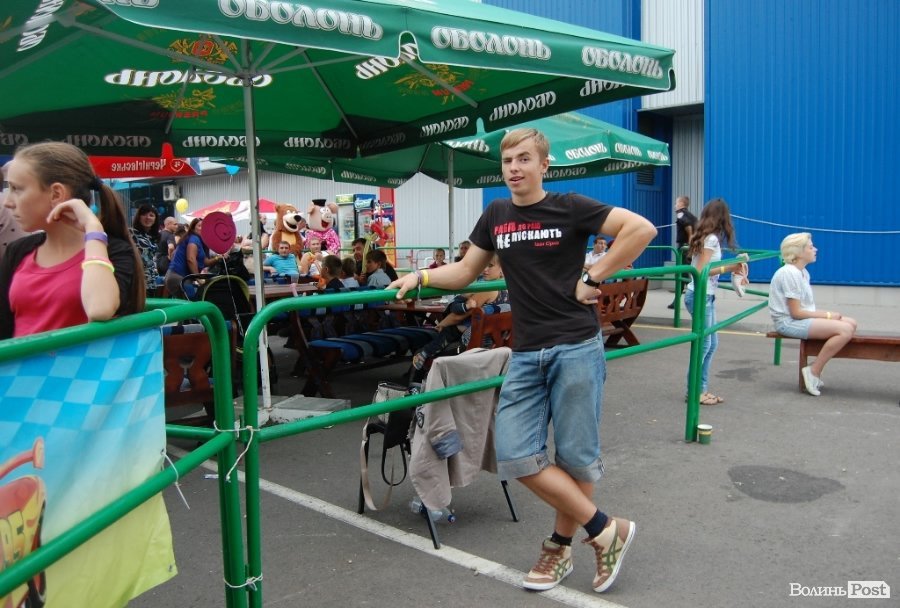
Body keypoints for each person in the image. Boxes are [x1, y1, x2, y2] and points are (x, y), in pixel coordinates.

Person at [389, 128, 656, 594]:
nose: (514, 168)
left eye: (524, 159)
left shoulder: (570, 206)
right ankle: (605, 529)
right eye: (508, 160)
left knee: (575, 459)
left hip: (576, 346)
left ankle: (559, 549)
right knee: (514, 453)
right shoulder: (497, 214)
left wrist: (594, 276)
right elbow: (466, 271)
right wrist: (421, 277)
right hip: (527, 351)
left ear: (544, 165)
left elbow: (641, 230)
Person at [0, 141, 143, 338]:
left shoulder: (113, 250)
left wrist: (93, 229)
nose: (8, 202)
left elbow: (100, 309)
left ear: (56, 193)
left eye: (17, 189)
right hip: (19, 359)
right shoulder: (19, 250)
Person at [768, 232, 857, 396]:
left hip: (799, 319)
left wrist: (829, 316)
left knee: (851, 323)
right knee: (844, 330)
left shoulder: (802, 272)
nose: (815, 249)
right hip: (788, 322)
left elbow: (805, 309)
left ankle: (815, 368)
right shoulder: (789, 273)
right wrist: (828, 315)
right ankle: (814, 370)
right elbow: (796, 313)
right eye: (810, 247)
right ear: (798, 252)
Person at [683, 198, 747, 405]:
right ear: (722, 218)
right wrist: (730, 267)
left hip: (704, 295)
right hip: (700, 295)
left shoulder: (707, 237)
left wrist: (732, 266)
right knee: (705, 345)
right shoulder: (710, 239)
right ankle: (694, 392)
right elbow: (701, 271)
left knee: (711, 344)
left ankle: (701, 389)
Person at [409, 254, 508, 384]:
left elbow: (458, 317)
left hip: (473, 346)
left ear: (502, 269)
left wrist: (441, 324)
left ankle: (415, 390)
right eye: (484, 265)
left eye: (490, 266)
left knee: (423, 349)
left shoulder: (488, 289)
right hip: (495, 346)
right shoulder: (507, 288)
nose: (485, 269)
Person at [165, 218, 221, 299]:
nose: (202, 228)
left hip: (178, 277)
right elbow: (190, 259)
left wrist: (218, 257)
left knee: (190, 302)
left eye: (204, 226)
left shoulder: (199, 241)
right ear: (193, 228)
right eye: (199, 226)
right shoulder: (194, 238)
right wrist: (198, 278)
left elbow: (206, 262)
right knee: (192, 301)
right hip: (178, 277)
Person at [669, 195, 698, 309]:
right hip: (690, 247)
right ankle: (676, 301)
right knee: (683, 274)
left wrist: (690, 243)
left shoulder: (680, 214)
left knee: (682, 274)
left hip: (684, 248)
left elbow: (688, 226)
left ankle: (697, 296)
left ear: (681, 204)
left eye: (676, 203)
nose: (675, 205)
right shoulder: (692, 216)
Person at [130, 203, 160, 293]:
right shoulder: (131, 233)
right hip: (137, 278)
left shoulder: (153, 236)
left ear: (155, 219)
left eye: (151, 215)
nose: (148, 217)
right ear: (138, 217)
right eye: (144, 214)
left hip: (151, 279)